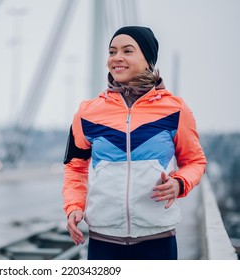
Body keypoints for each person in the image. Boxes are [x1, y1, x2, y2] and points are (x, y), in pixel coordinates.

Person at [62, 26, 207, 260]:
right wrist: (74, 206)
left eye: (127, 51)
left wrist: (180, 183)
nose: (117, 57)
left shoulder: (175, 110)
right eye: (112, 51)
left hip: (158, 239)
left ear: (148, 60)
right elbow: (75, 166)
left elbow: (195, 161)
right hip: (103, 240)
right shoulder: (87, 112)